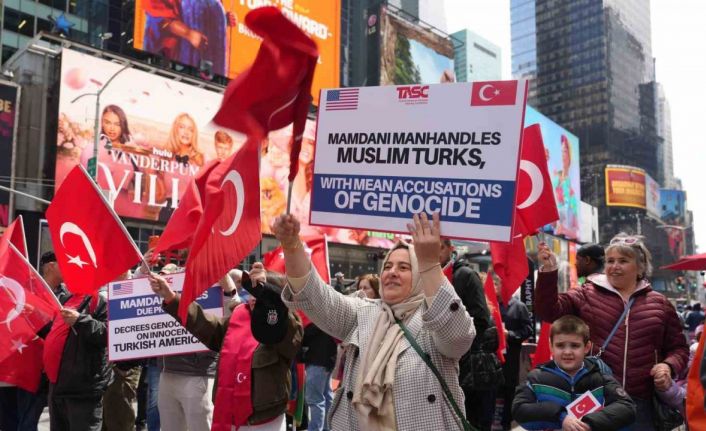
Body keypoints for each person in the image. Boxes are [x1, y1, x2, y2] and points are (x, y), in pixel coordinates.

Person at [275, 212, 475, 429]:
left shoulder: (435, 317)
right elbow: (315, 296)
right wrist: (292, 245)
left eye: (404, 267)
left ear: (420, 276)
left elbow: (458, 338)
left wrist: (429, 264)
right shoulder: (362, 313)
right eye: (387, 267)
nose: (392, 273)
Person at [535, 233, 689, 430]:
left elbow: (679, 348)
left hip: (641, 404)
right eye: (610, 261)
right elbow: (548, 311)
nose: (614, 266)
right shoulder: (585, 293)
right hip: (595, 399)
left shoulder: (661, 304)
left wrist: (667, 366)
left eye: (623, 261)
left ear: (640, 267)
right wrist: (548, 272)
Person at [148, 264, 302, 430]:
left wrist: (271, 297)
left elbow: (289, 334)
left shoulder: (286, 327)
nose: (252, 298)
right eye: (252, 292)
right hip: (229, 417)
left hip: (266, 422)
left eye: (260, 293)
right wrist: (171, 297)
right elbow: (204, 324)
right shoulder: (238, 316)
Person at [512, 315, 636, 430]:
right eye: (560, 345)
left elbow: (627, 407)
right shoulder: (536, 378)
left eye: (575, 346)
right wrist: (561, 417)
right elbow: (519, 409)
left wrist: (588, 423)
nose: (567, 352)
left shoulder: (600, 376)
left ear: (587, 347)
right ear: (551, 346)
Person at [40, 253, 111, 431]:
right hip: (58, 386)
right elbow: (54, 332)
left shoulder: (101, 300)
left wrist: (80, 320)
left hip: (82, 389)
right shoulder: (67, 298)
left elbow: (109, 334)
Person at [440, 240, 498, 431]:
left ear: (451, 249)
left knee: (468, 419)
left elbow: (481, 318)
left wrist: (456, 340)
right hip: (439, 360)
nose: (435, 252)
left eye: (440, 247)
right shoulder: (427, 276)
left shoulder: (464, 275)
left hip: (464, 362)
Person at [495, 275, 533, 431]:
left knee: (509, 389)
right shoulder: (490, 305)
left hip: (510, 357)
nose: (496, 287)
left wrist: (509, 335)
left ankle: (507, 423)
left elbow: (528, 330)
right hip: (492, 357)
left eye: (499, 284)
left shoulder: (519, 307)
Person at [301, 320, 337, 431]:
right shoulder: (328, 319)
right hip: (327, 359)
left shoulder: (316, 322)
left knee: (315, 399)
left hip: (317, 361)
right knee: (326, 395)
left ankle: (316, 428)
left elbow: (304, 335)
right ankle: (327, 427)